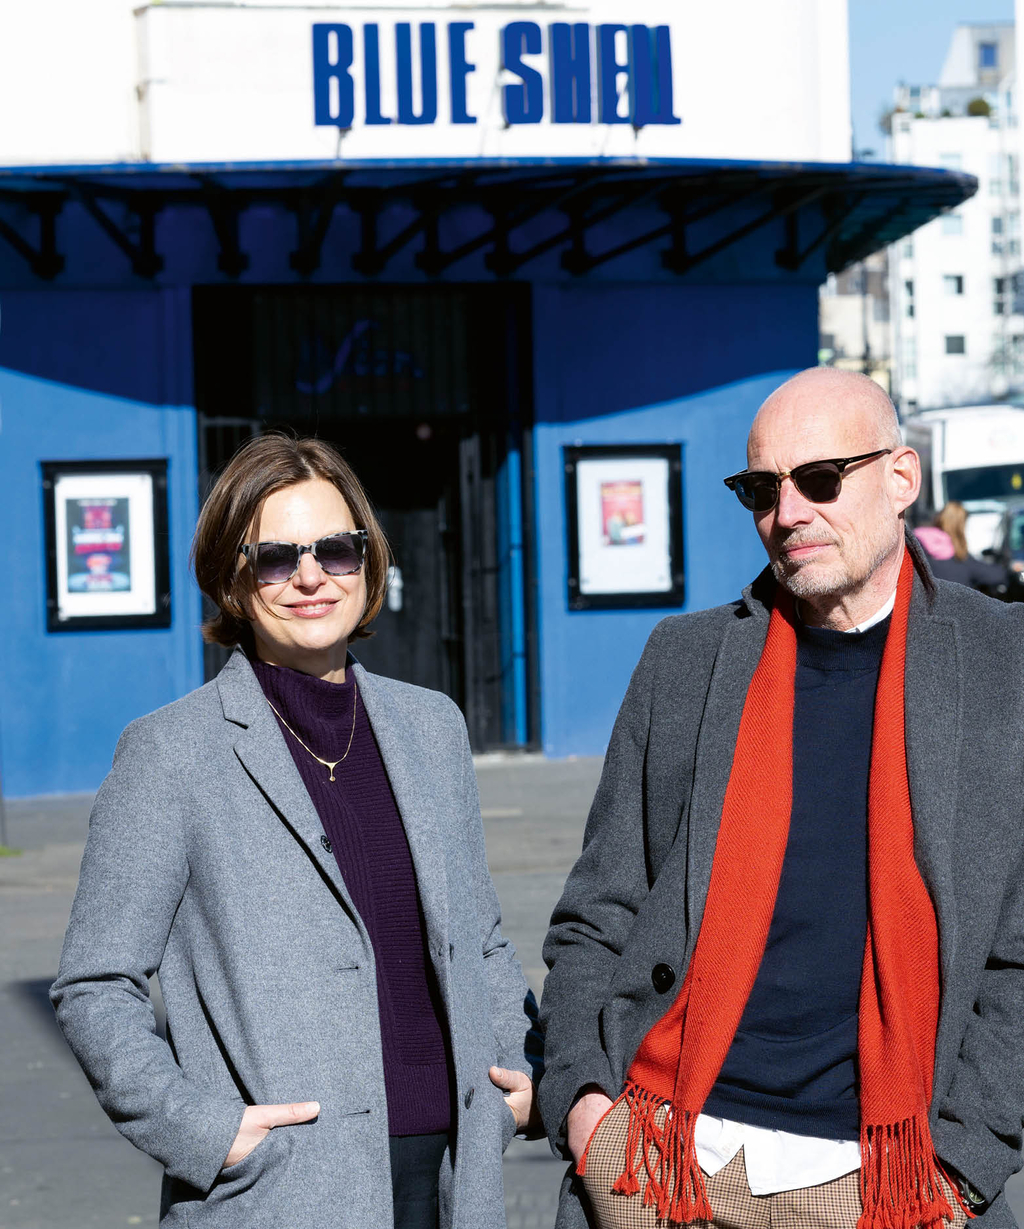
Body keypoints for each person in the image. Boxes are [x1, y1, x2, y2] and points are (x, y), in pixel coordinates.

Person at [538, 368, 1024, 1229]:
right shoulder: (684, 660)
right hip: (657, 1161)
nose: (788, 513)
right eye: (762, 489)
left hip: (887, 1185)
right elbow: (597, 909)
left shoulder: (1001, 665)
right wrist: (583, 1104)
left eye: (821, 479)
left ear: (902, 478)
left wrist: (964, 1160)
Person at [51, 434, 539, 1229]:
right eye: (276, 557)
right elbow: (95, 984)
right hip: (280, 1191)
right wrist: (204, 1132)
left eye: (336, 550)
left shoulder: (431, 727)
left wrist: (521, 1077)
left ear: (369, 563)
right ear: (232, 578)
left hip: (455, 1176)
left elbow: (477, 938)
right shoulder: (171, 752)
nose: (311, 577)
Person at [915, 500, 1008, 593]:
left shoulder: (917, 541)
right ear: (961, 525)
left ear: (939, 517)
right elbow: (992, 575)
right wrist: (1009, 570)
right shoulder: (957, 553)